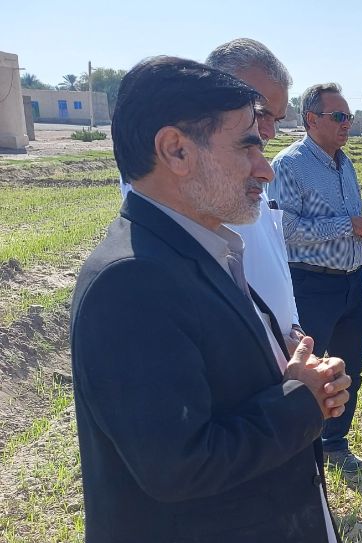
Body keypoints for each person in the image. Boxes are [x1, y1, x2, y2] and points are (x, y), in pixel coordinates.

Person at [72, 56, 362, 543]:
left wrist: (285, 372)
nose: (264, 168)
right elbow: (177, 460)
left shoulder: (195, 248)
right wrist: (301, 401)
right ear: (175, 149)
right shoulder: (132, 281)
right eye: (247, 144)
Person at [119, 39, 301, 348]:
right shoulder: (185, 181)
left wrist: (291, 324)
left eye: (277, 119)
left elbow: (273, 258)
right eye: (261, 113)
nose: (269, 131)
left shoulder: (246, 166)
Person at [271, 82, 362, 477]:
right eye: (337, 117)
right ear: (310, 120)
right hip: (311, 283)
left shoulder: (344, 163)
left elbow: (346, 221)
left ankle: (335, 442)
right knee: (307, 369)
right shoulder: (289, 165)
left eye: (348, 117)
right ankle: (297, 449)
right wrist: (347, 224)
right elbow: (285, 226)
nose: (346, 125)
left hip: (352, 281)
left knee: (347, 366)